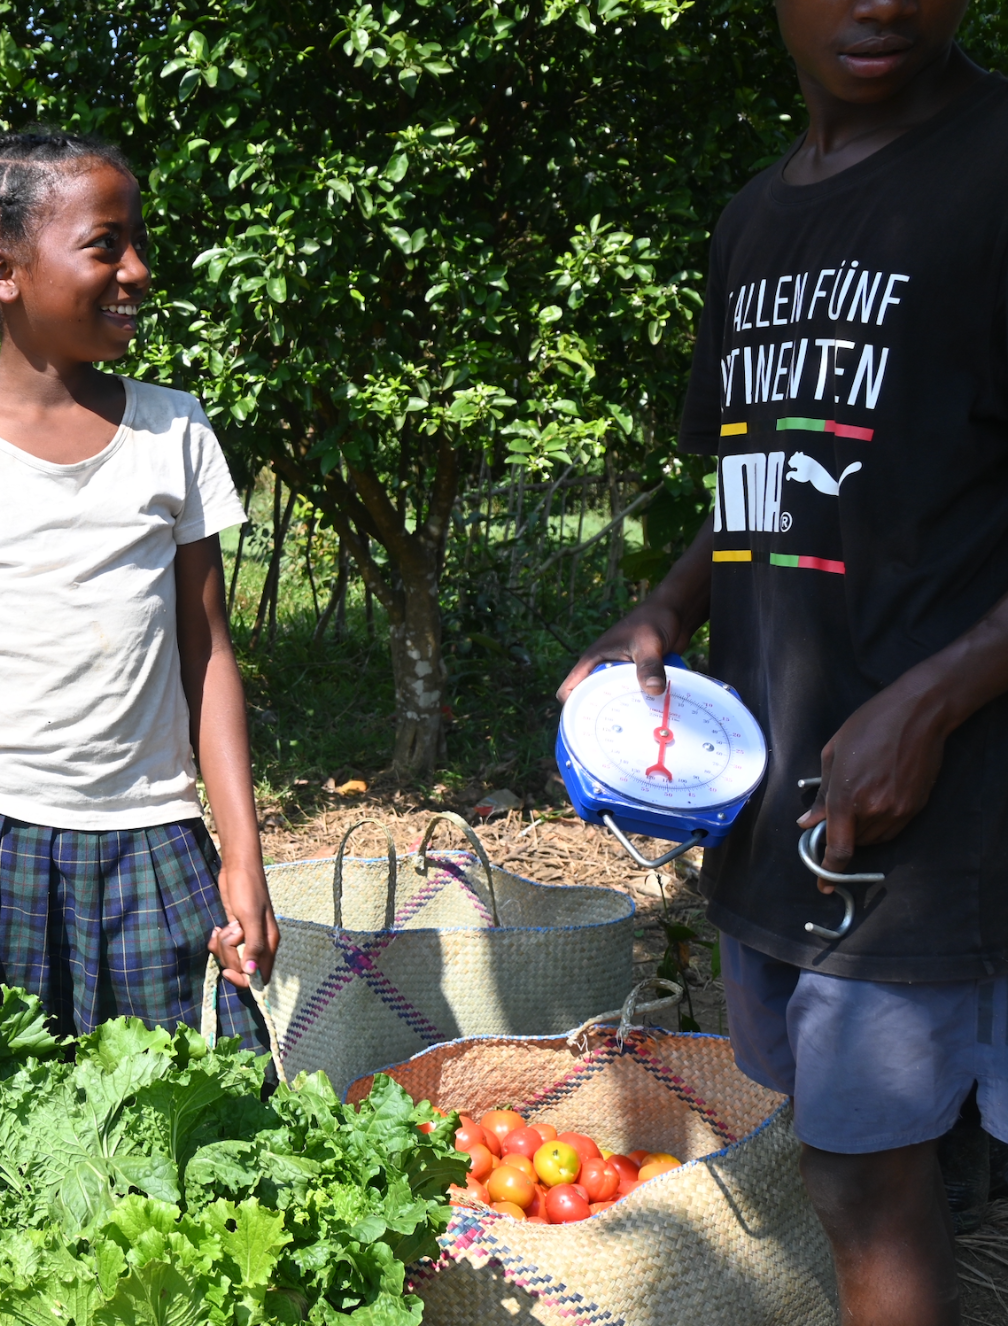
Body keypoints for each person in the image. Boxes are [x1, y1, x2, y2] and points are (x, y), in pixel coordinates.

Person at [560, 3, 1008, 1320]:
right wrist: (662, 613)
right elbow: (777, 464)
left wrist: (935, 696)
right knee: (847, 1168)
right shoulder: (757, 218)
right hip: (791, 793)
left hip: (952, 812)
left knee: (871, 1183)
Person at [0, 129, 279, 1090]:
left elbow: (207, 651)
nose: (137, 269)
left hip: (151, 843)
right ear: (1, 271)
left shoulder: (176, 429)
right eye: (106, 244)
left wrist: (243, 855)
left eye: (137, 241)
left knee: (177, 1113)